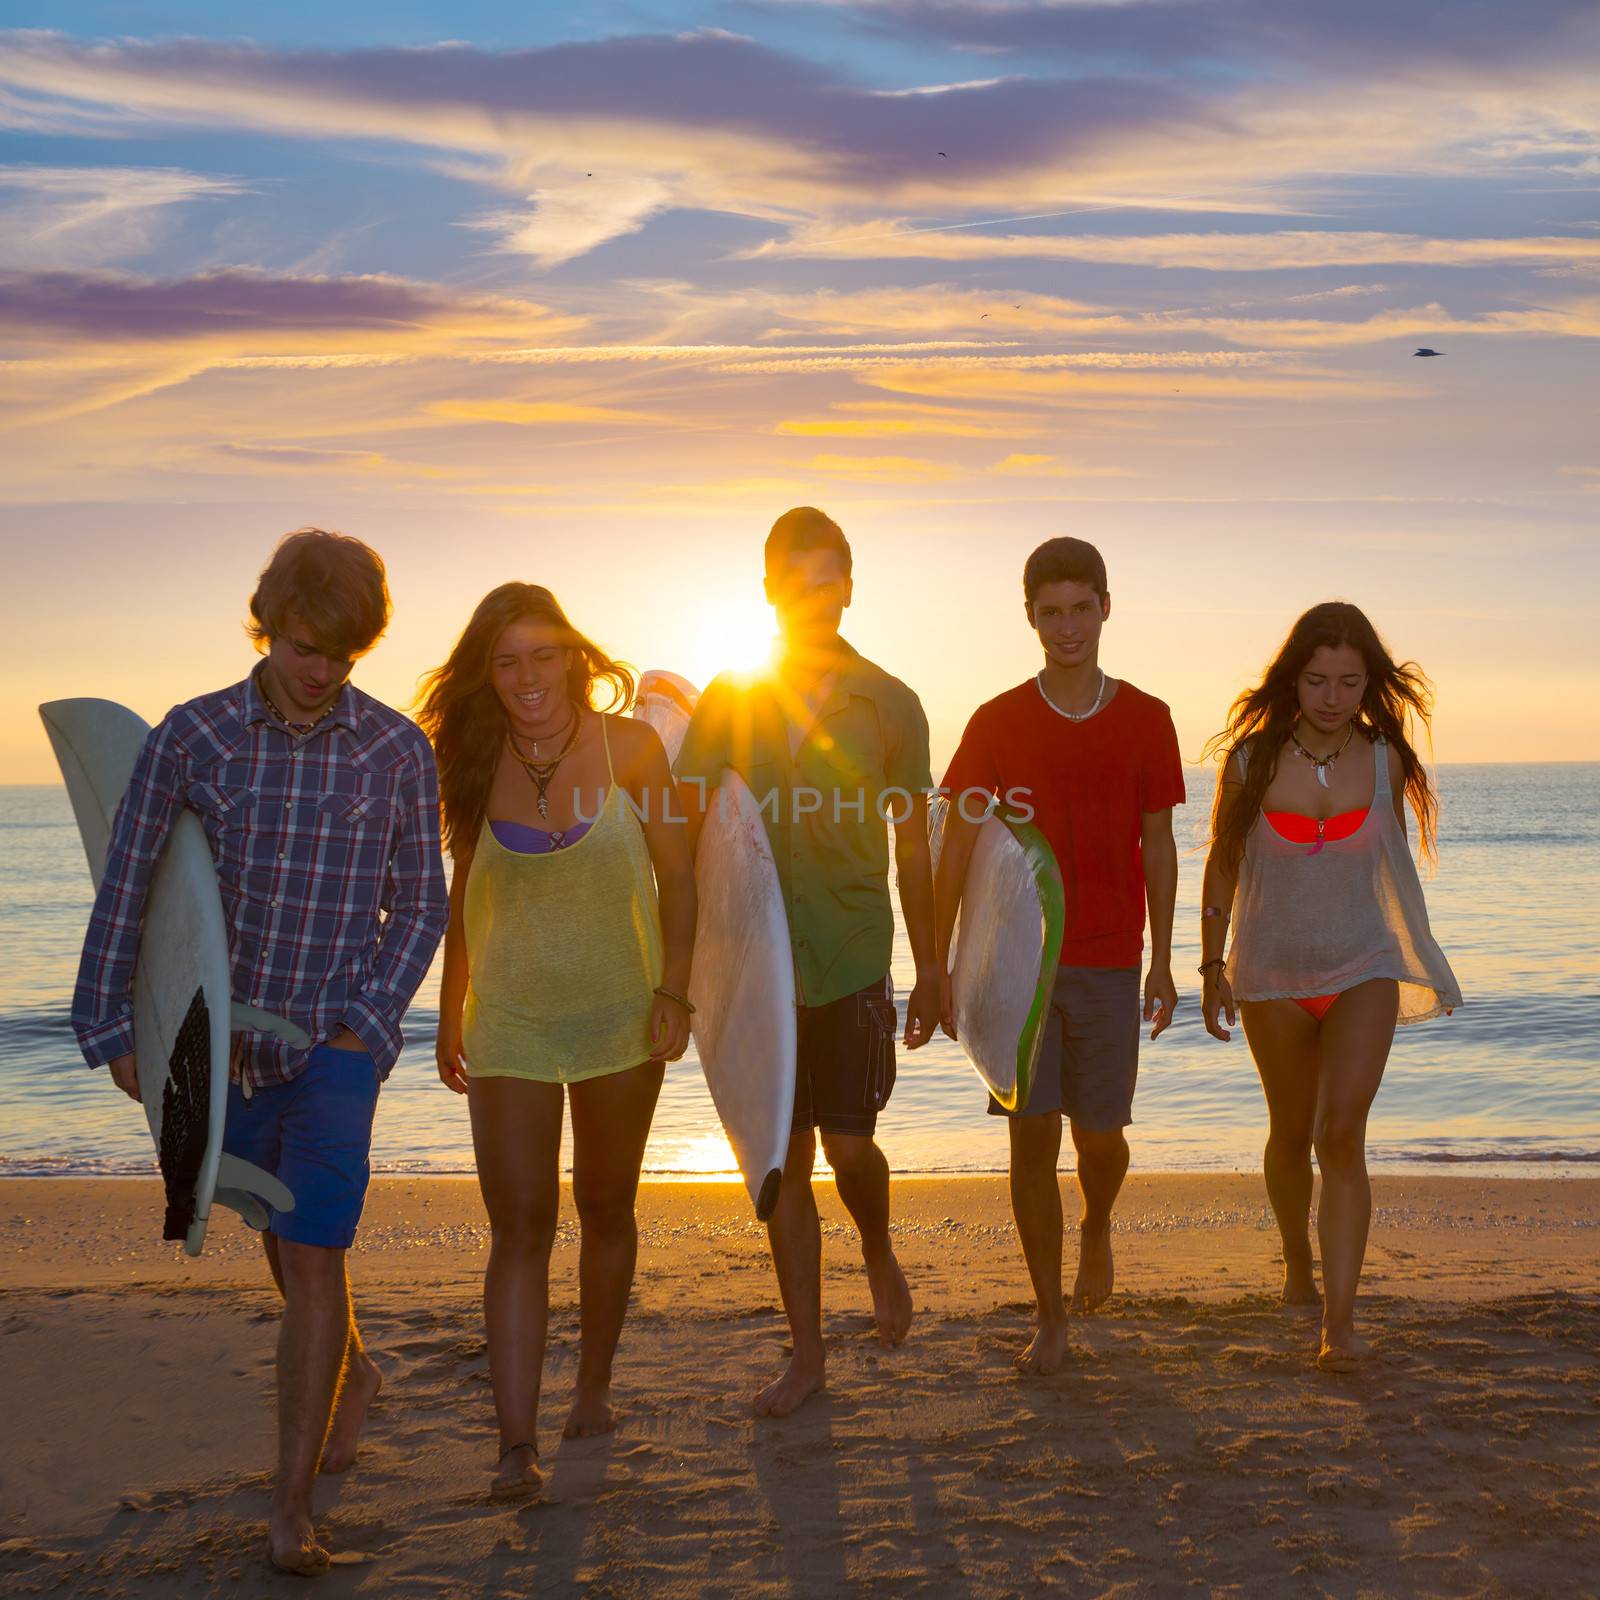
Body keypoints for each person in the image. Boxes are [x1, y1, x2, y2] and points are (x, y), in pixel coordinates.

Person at [71, 528, 449, 1575]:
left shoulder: (393, 750)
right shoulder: (192, 738)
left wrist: (365, 1029)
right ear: (268, 623)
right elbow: (133, 883)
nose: (320, 670)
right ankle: (354, 1372)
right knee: (277, 1237)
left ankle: (291, 1504)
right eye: (302, 646)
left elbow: (420, 906)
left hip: (333, 1045)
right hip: (221, 1049)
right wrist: (112, 1026)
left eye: (341, 654)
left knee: (316, 1245)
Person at [422, 584, 695, 1502]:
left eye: (544, 655)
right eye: (506, 661)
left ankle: (594, 1384)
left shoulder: (634, 748)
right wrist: (452, 1006)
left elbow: (680, 880)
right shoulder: (470, 756)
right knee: (520, 1227)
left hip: (622, 1015)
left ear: (575, 659)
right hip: (510, 1023)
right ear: (485, 674)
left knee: (607, 1208)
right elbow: (465, 895)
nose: (527, 677)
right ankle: (514, 1446)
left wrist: (675, 992)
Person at [675, 506, 939, 1418]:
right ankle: (808, 1352)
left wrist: (935, 965)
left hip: (854, 951)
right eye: (795, 584)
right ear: (770, 593)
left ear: (849, 588)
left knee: (850, 1145)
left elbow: (916, 845)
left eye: (828, 581)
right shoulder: (731, 697)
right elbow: (685, 826)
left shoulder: (892, 703)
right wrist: (680, 965)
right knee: (783, 1162)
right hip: (753, 965)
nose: (812, 599)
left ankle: (876, 1247)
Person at [935, 536, 1183, 1375]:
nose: (1068, 626)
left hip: (1114, 958)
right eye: (1051, 613)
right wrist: (939, 967)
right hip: (1020, 965)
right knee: (1030, 1139)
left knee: (1102, 1136)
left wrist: (1164, 959)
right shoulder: (996, 723)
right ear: (1030, 617)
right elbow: (958, 841)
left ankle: (1099, 1221)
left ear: (1106, 606)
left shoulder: (1148, 719)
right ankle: (1048, 1317)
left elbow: (1159, 843)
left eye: (1082, 609)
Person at [1199, 601, 1460, 1373]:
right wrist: (1210, 965)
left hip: (1364, 966)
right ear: (1294, 678)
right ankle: (1297, 1264)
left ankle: (1338, 1325)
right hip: (1271, 975)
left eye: (1350, 681)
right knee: (1290, 1131)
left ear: (1369, 683)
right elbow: (1220, 865)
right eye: (1317, 679)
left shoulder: (1385, 760)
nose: (1333, 696)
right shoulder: (1248, 762)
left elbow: (1389, 874)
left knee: (1339, 1134)